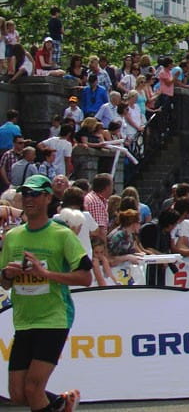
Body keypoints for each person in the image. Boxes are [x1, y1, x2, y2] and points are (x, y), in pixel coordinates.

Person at [1, 175, 91, 412]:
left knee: (33, 387)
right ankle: (61, 403)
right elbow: (5, 283)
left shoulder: (62, 234)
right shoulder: (13, 236)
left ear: (48, 198)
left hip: (53, 317)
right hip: (24, 320)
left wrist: (45, 274)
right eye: (25, 194)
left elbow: (85, 278)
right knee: (18, 394)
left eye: (35, 194)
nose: (28, 199)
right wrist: (8, 274)